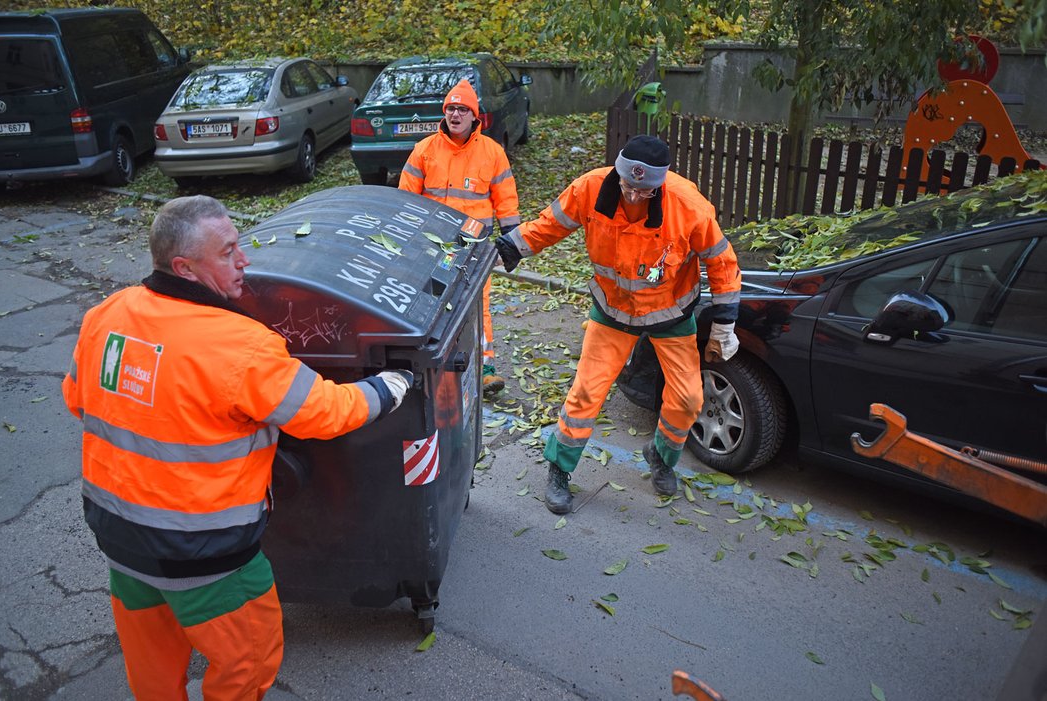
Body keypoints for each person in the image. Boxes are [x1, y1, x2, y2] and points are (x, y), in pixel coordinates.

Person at [61, 195, 413, 700]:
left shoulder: (106, 316)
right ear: (185, 267)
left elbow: (79, 402)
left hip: (120, 541)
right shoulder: (239, 345)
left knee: (153, 674)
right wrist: (390, 387)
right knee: (246, 666)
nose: (244, 259)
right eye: (227, 252)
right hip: (207, 558)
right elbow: (327, 413)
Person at [495, 135, 742, 514]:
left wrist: (725, 324)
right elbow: (548, 225)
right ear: (617, 174)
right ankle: (559, 470)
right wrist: (508, 248)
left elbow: (722, 261)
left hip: (670, 314)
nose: (633, 196)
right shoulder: (589, 188)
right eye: (627, 185)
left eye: (643, 191)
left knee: (690, 398)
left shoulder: (687, 205)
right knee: (586, 394)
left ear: (659, 185)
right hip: (612, 312)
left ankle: (661, 456)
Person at [399, 77, 520, 396]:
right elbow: (405, 200)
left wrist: (513, 241)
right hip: (433, 246)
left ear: (474, 116)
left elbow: (506, 200)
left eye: (462, 109)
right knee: (430, 300)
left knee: (477, 305)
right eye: (450, 108)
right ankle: (431, 365)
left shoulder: (492, 153)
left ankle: (486, 369)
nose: (455, 114)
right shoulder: (424, 151)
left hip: (474, 247)